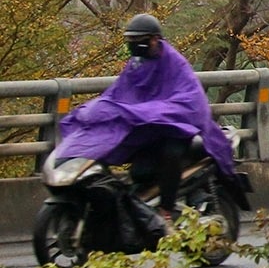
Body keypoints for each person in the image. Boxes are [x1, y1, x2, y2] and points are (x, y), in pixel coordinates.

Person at [52, 13, 237, 242]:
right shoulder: (137, 62)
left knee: (171, 154)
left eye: (139, 40)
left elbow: (190, 100)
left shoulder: (174, 63)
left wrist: (152, 111)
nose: (134, 45)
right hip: (152, 125)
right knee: (133, 162)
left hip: (179, 126)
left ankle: (166, 211)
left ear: (155, 39)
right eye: (130, 40)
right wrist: (100, 111)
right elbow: (121, 92)